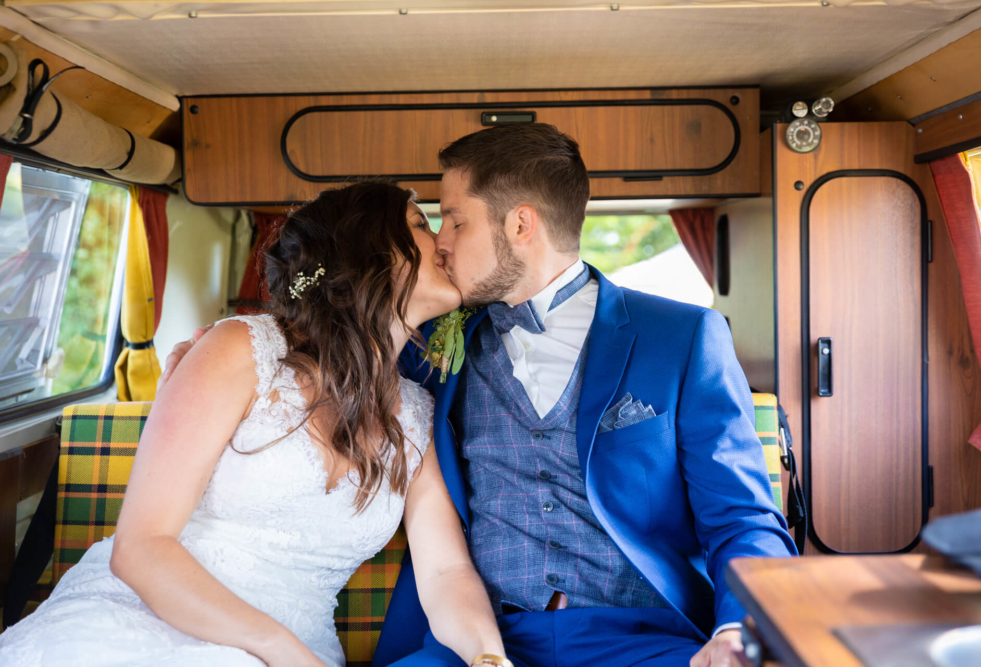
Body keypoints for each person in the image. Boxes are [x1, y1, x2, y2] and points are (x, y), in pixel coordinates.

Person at [161, 124, 797, 667]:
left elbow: (742, 519)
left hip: (642, 640)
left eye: (456, 221)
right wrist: (228, 345)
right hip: (473, 638)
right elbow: (339, 333)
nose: (440, 242)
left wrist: (736, 630)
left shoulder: (682, 337)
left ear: (520, 224)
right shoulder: (424, 345)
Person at [0, 182, 509, 667]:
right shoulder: (240, 349)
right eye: (421, 224)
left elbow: (446, 572)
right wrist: (279, 649)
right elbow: (140, 549)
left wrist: (488, 656)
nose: (443, 242)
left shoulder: (415, 416)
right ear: (368, 252)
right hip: (144, 617)